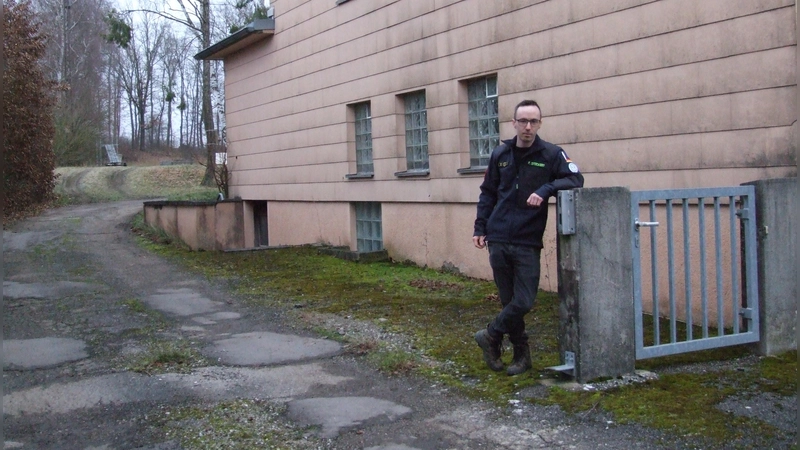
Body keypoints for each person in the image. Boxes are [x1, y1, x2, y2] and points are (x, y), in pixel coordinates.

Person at [472, 99, 584, 376]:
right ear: (514, 123)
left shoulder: (551, 154)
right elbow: (488, 192)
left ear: (540, 124)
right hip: (497, 237)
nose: (528, 127)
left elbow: (575, 180)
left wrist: (546, 189)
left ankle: (490, 335)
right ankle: (522, 356)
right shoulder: (501, 154)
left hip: (527, 240)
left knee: (523, 301)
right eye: (523, 121)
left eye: (533, 121)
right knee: (508, 299)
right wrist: (479, 227)